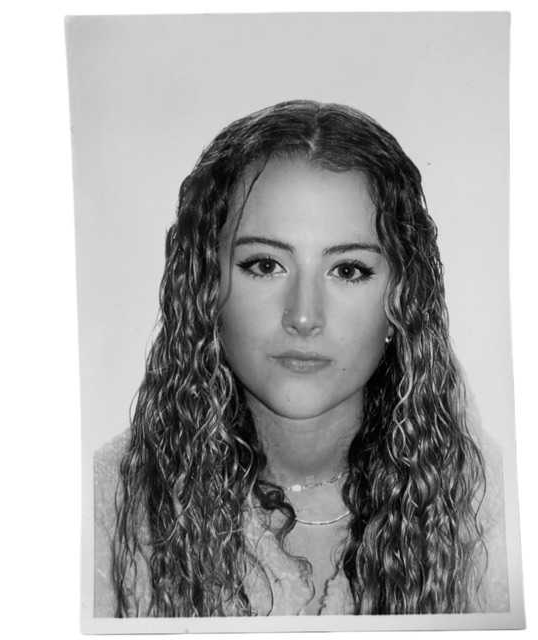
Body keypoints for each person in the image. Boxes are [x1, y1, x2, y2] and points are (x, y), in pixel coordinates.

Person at [94, 100, 509, 617]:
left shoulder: (487, 506)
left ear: (402, 297)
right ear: (205, 287)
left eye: (349, 270)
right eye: (265, 265)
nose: (305, 316)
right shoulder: (106, 505)